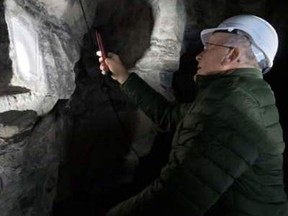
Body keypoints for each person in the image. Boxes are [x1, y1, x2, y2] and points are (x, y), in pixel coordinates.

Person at [97, 15, 288, 216]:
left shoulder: (234, 107)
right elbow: (169, 115)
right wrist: (123, 77)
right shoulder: (232, 94)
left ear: (232, 55)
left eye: (208, 47)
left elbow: (175, 200)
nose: (198, 55)